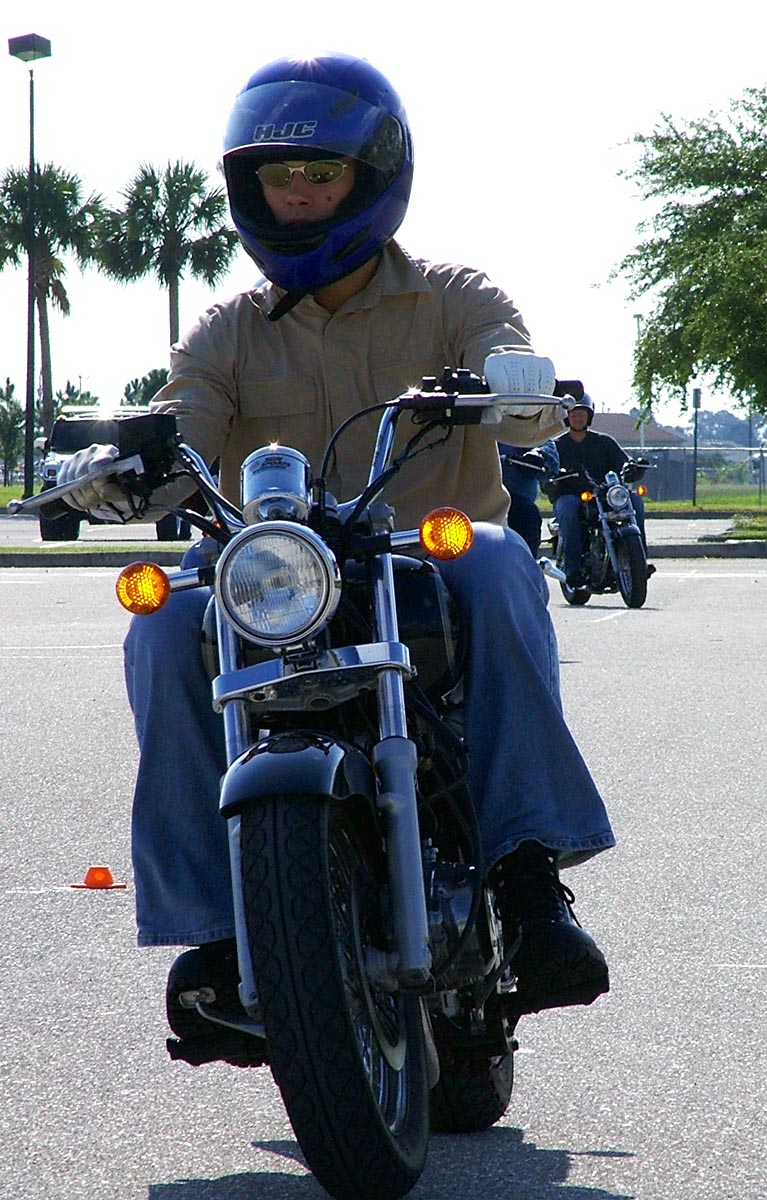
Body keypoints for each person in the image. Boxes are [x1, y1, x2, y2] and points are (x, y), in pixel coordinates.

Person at [58, 53, 615, 1046]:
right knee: (161, 622)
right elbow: (184, 432)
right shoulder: (226, 333)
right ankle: (216, 933)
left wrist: (516, 388)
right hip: (276, 572)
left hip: (424, 559)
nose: (302, 194)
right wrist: (122, 472)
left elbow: (511, 368)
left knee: (497, 559)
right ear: (252, 189)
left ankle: (530, 882)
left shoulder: (451, 296)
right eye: (281, 177)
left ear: (373, 175)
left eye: (323, 173)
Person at [551, 395, 649, 586]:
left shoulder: (604, 442)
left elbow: (624, 463)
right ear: (566, 417)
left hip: (604, 494)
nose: (577, 418)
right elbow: (547, 470)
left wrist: (634, 467)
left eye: (581, 414)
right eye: (573, 414)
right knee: (569, 508)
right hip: (571, 494)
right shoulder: (556, 445)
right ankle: (573, 569)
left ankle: (641, 563)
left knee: (635, 500)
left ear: (589, 416)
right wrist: (552, 479)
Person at [498, 437, 559, 556]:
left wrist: (538, 454)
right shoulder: (473, 430)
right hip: (477, 501)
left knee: (528, 514)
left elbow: (541, 439)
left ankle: (526, 563)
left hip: (517, 503)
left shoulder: (519, 428)